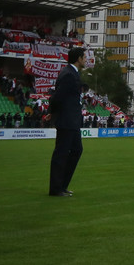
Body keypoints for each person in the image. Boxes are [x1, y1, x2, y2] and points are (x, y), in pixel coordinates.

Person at [49, 46, 88, 197]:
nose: (86, 60)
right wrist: (53, 113)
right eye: (84, 57)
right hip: (66, 120)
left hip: (73, 121)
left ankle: (62, 185)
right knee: (61, 154)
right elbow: (58, 97)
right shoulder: (68, 74)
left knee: (77, 150)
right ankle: (56, 188)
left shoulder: (73, 74)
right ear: (78, 59)